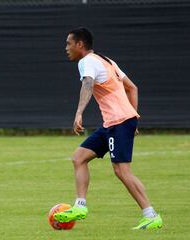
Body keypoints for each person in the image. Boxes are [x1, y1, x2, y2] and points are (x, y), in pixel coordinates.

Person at [53, 28, 163, 230]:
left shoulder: (86, 62)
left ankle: (151, 215)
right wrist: (133, 118)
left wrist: (79, 112)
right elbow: (132, 88)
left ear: (80, 44)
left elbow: (88, 83)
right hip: (114, 122)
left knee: (122, 170)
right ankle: (80, 206)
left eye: (69, 43)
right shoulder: (107, 61)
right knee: (79, 158)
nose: (66, 48)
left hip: (119, 121)